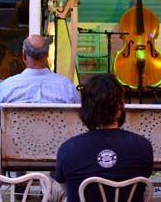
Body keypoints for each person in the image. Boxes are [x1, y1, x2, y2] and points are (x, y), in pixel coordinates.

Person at [55, 74, 154, 202]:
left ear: (86, 108)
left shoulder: (68, 148)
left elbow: (67, 190)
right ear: (119, 107)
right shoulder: (142, 146)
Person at [0, 34, 80, 124]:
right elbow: (80, 118)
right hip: (59, 142)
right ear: (47, 55)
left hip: (14, 142)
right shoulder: (66, 86)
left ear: (24, 55)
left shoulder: (7, 86)